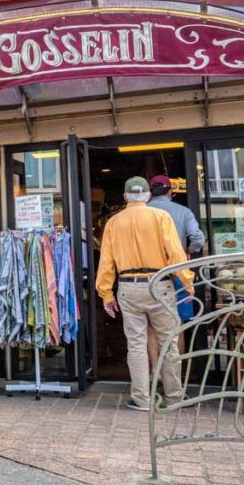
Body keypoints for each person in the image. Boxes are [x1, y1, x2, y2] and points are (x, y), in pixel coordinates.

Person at [95, 176, 193, 411]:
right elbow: (176, 253)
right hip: (160, 284)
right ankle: (174, 396)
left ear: (125, 197)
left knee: (136, 344)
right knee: (168, 342)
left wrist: (106, 293)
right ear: (148, 196)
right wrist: (187, 283)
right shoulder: (161, 217)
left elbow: (106, 262)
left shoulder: (113, 223)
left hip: (128, 286)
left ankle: (141, 399)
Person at [146, 174, 205, 361]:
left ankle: (156, 373)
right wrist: (188, 251)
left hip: (150, 275)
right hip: (177, 272)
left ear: (150, 193)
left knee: (152, 327)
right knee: (176, 325)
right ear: (170, 191)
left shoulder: (143, 212)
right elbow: (198, 239)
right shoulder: (183, 211)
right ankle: (177, 374)